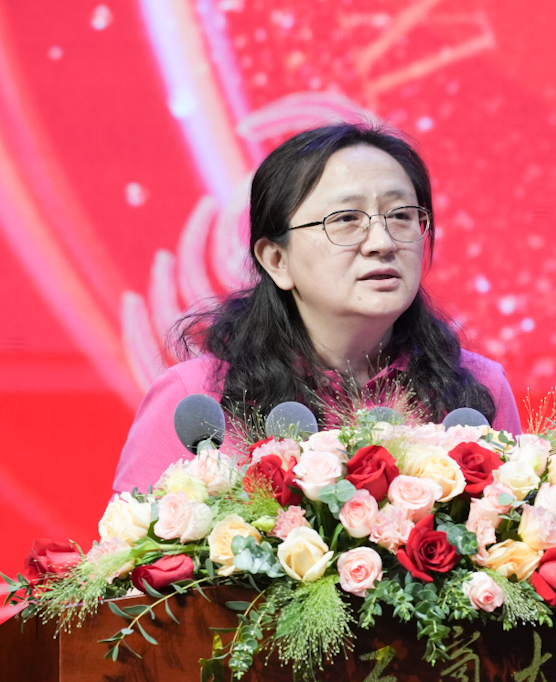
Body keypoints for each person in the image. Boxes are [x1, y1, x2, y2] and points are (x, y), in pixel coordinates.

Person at [112, 123, 521, 493]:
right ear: (277, 260)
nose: (382, 242)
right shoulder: (197, 402)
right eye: (345, 219)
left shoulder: (477, 393)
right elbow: (132, 550)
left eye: (401, 215)